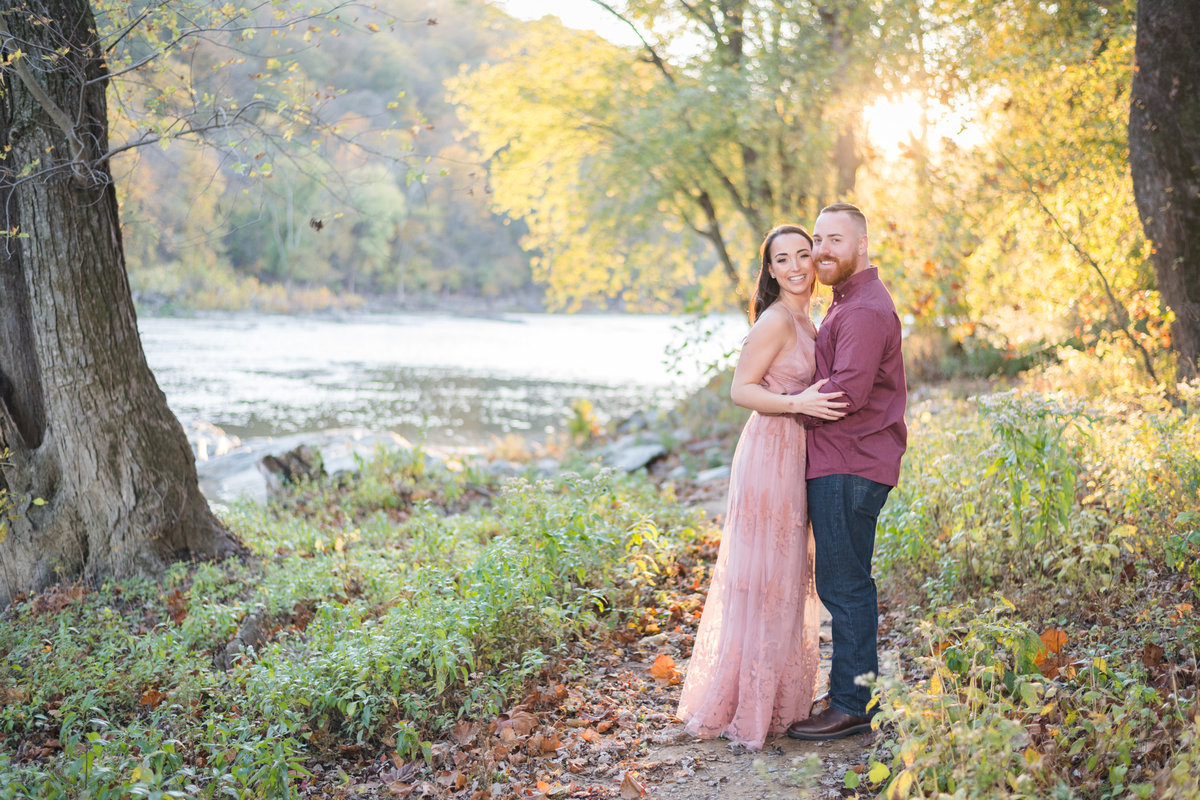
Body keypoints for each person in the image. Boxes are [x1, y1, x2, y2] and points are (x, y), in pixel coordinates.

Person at [677, 224, 848, 750]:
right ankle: (745, 700)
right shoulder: (776, 320)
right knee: (764, 576)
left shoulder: (807, 317)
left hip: (795, 452)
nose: (797, 266)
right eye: (784, 259)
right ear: (770, 270)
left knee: (787, 574)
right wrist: (798, 404)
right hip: (770, 451)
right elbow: (740, 390)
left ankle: (775, 697)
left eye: (805, 254)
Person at [785, 203, 908, 741]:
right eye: (817, 238)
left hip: (849, 462)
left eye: (835, 239)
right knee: (845, 581)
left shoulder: (860, 310)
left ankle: (853, 704)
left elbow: (846, 393)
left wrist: (777, 402)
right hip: (847, 460)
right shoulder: (847, 303)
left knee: (845, 585)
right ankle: (851, 692)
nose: (822, 249)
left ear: (861, 245)